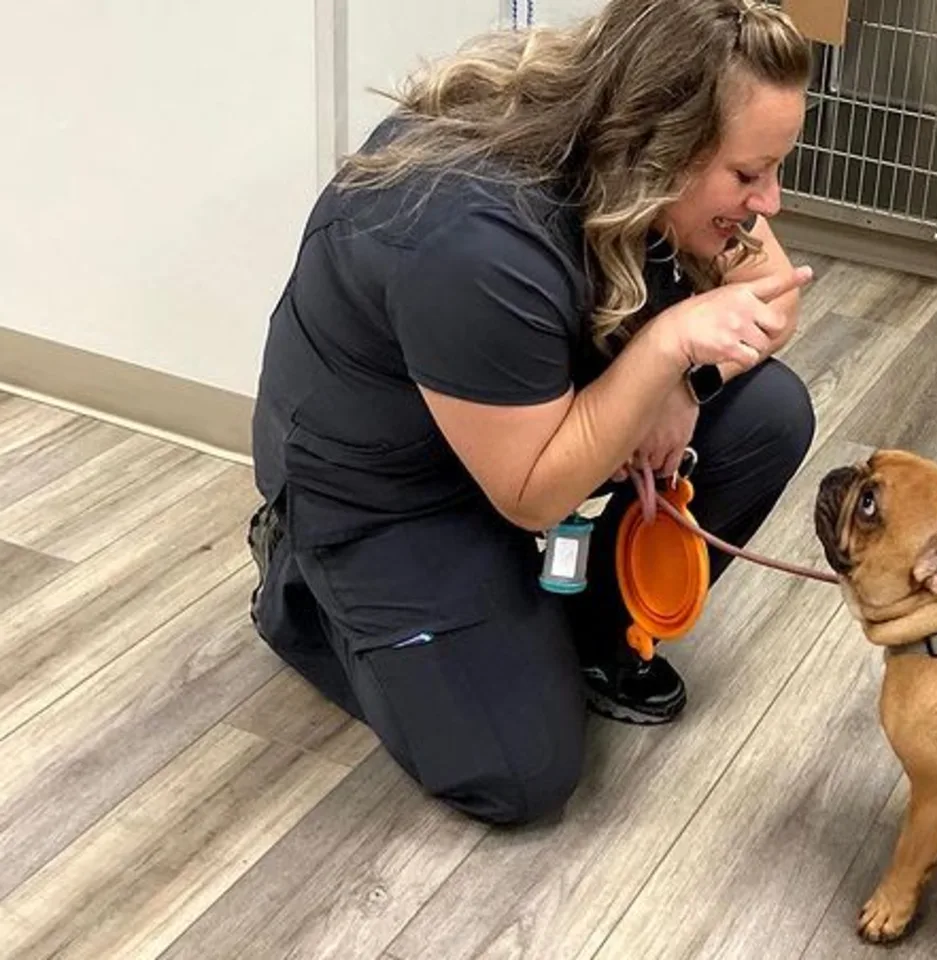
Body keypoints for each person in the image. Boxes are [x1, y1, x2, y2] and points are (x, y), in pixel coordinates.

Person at [245, 0, 818, 827]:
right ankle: (301, 587)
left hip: (515, 432)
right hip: (383, 496)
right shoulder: (471, 237)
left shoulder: (619, 142)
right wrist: (663, 352)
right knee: (519, 773)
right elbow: (533, 495)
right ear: (662, 142)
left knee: (769, 413)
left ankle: (576, 638)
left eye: (774, 169)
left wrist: (682, 387)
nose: (771, 202)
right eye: (746, 174)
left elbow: (771, 299)